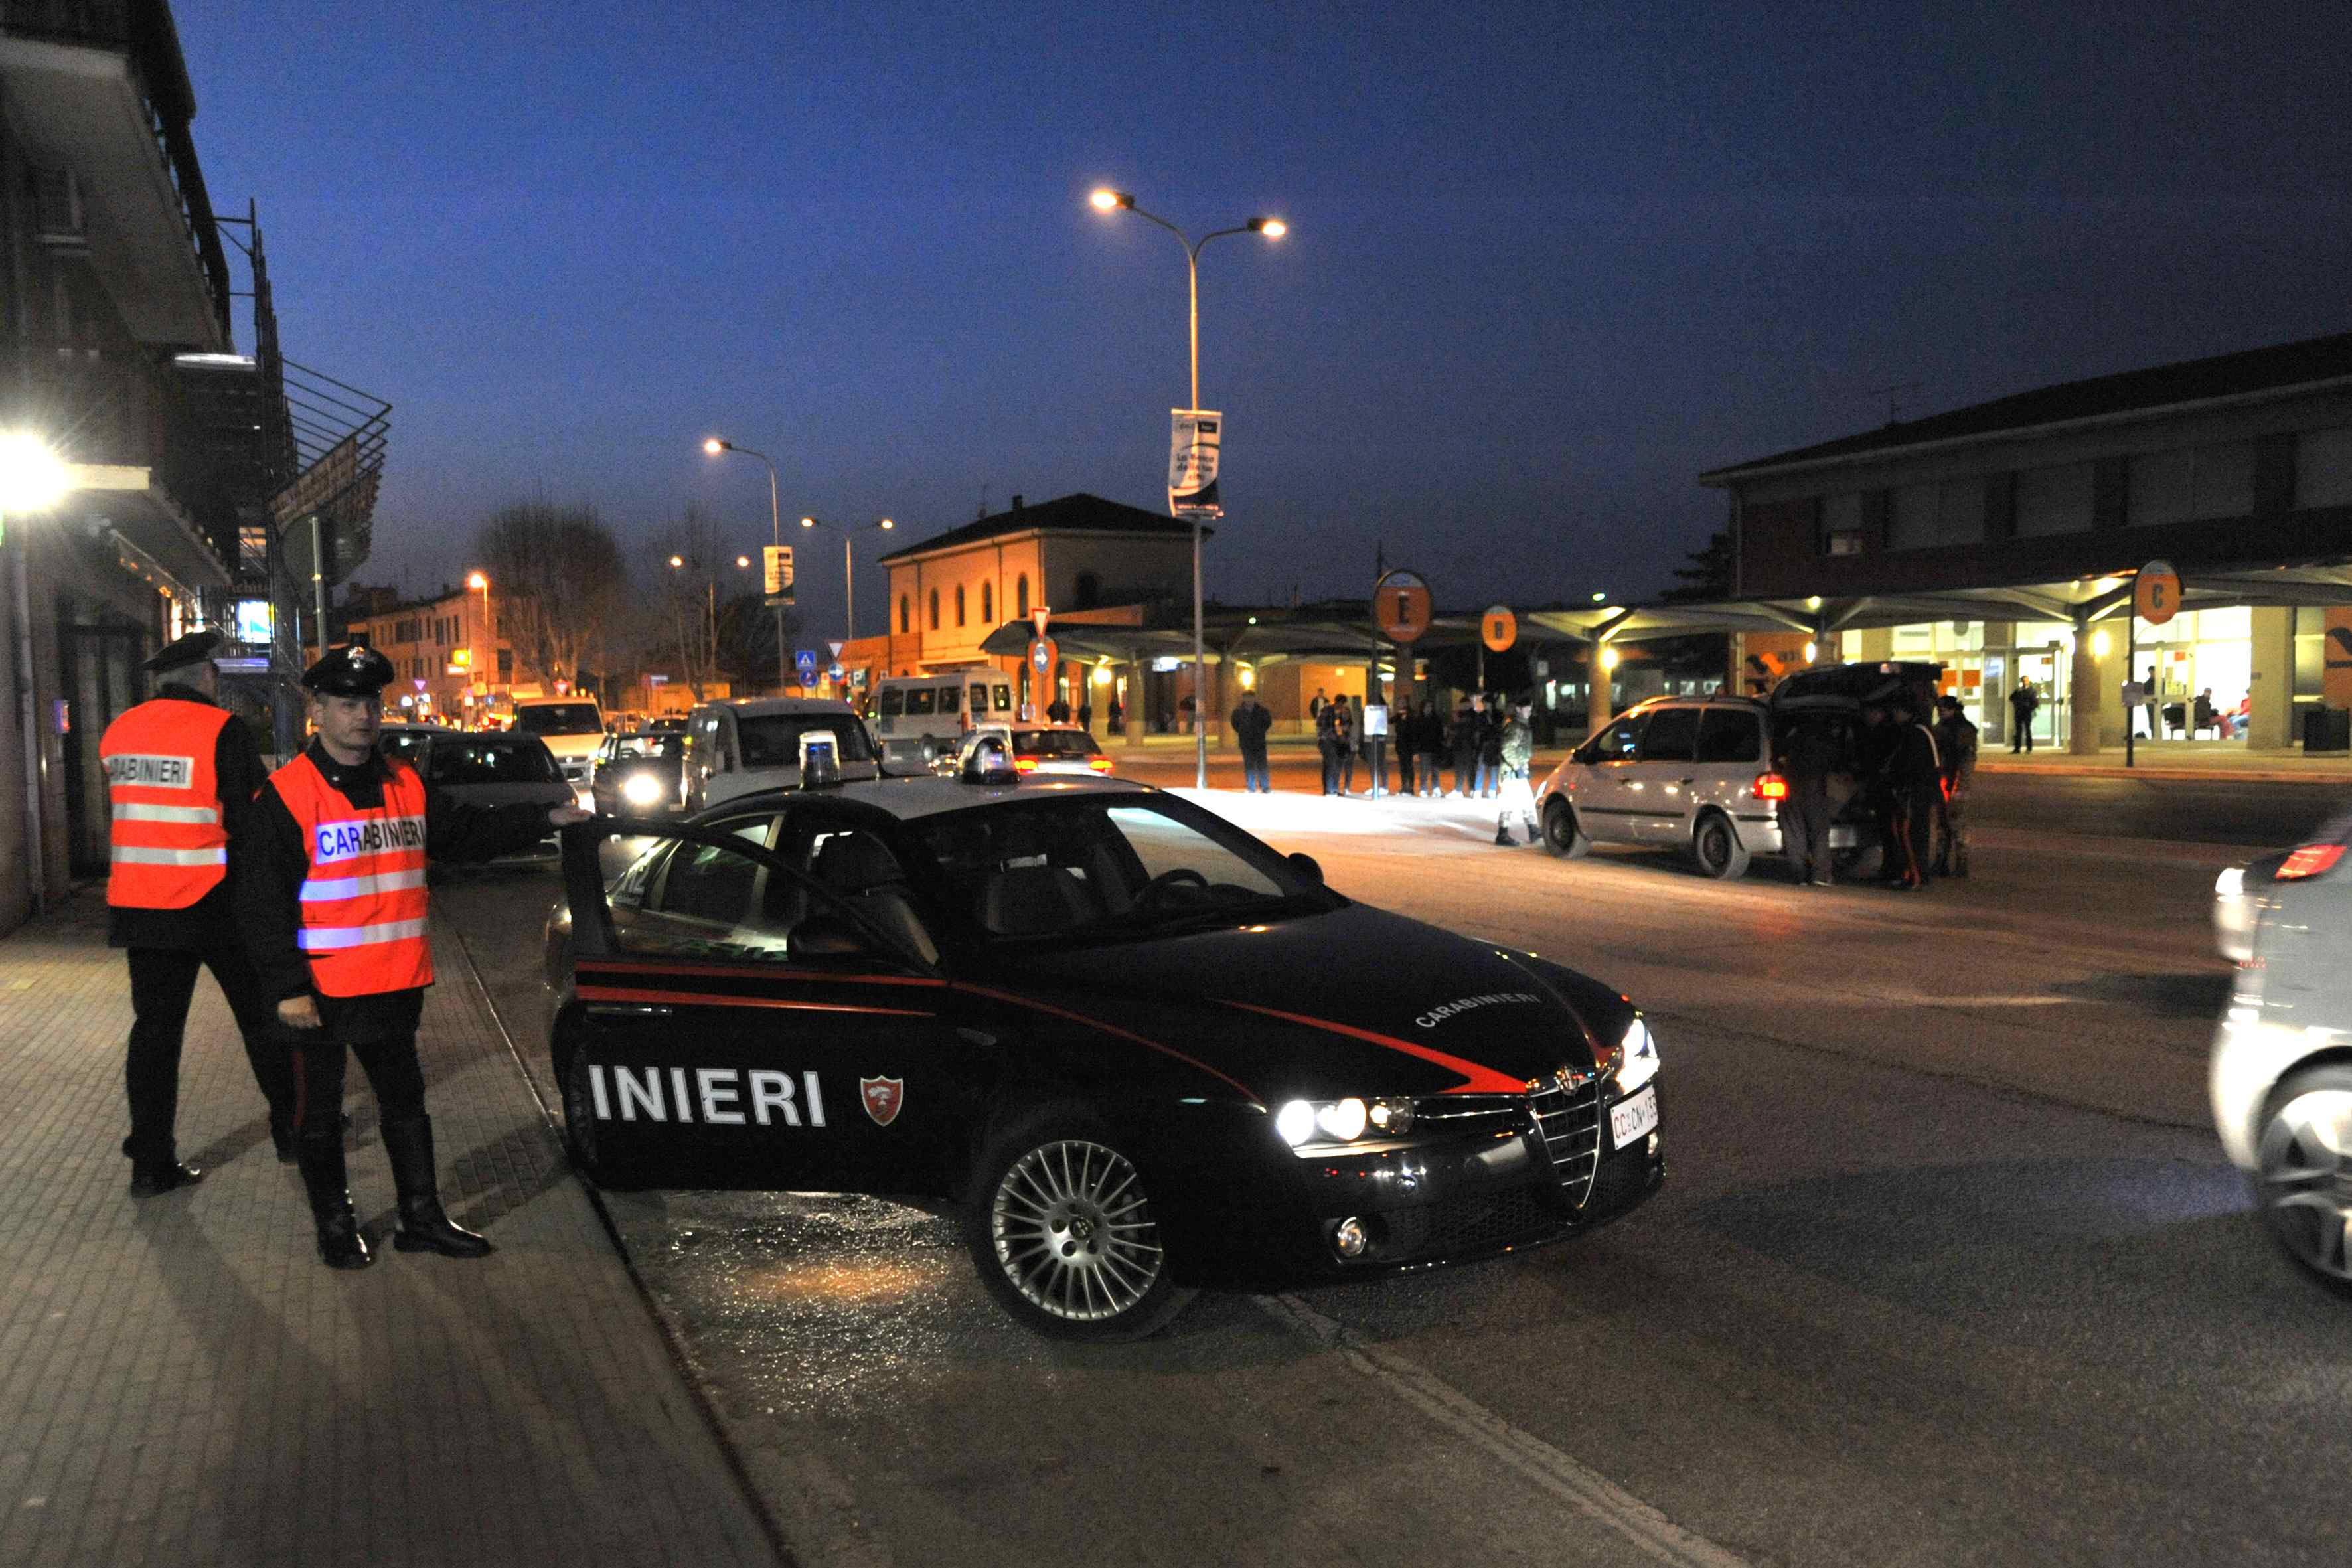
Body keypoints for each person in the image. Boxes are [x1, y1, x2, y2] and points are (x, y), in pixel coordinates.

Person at [238, 645, 590, 1270]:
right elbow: (263, 904)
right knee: (318, 1115)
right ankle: (336, 1226)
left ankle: (421, 1219)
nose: (364, 716)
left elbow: (464, 836)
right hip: (317, 991)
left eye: (371, 702)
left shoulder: (406, 782)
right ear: (316, 710)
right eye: (348, 703)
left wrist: (547, 817)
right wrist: (286, 987)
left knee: (406, 1104)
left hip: (393, 982)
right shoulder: (287, 796)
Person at [101, 629, 296, 1194]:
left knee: (156, 1035)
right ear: (206, 676)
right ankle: (291, 1130)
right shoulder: (220, 729)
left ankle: (151, 1163)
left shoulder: (118, 731)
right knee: (261, 1017)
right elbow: (249, 820)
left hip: (141, 905)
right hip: (214, 901)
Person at [1878, 697, 1942, 890]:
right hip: (1920, 791)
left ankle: (1916, 876)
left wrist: (1894, 779)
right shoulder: (1920, 731)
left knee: (1910, 835)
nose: (1895, 716)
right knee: (1914, 834)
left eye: (1897, 712)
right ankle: (1914, 874)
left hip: (1916, 793)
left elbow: (1911, 765)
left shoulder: (1916, 734)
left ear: (1905, 712)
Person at [1775, 713, 1841, 887]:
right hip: (1816, 790)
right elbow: (1838, 762)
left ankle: (1799, 875)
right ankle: (1820, 875)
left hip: (1792, 789)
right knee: (1819, 833)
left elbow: (1777, 756)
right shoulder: (1826, 739)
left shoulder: (1793, 736)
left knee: (1795, 833)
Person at [1931, 694, 1978, 877]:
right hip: (1943, 781)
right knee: (1942, 824)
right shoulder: (1939, 729)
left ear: (1955, 709)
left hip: (1956, 783)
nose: (1942, 711)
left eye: (1946, 708)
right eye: (1940, 709)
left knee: (1957, 823)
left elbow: (1966, 762)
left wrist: (1960, 788)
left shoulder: (1965, 730)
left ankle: (1961, 862)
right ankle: (1941, 861)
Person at [1494, 704, 1539, 845]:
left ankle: (1533, 830)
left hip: (1518, 770)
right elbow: (1507, 749)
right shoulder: (1516, 727)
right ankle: (1503, 834)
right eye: (1527, 710)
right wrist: (1517, 767)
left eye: (1530, 710)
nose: (1529, 713)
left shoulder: (1521, 726)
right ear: (1519, 709)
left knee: (1527, 800)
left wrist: (1522, 768)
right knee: (1509, 802)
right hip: (1511, 772)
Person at [1229, 690, 1273, 793]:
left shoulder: (1262, 711)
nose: (1249, 700)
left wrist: (1260, 731)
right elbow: (1235, 724)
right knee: (1249, 765)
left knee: (1262, 765)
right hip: (1246, 742)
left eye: (1250, 698)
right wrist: (1243, 731)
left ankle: (1265, 787)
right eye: (1246, 698)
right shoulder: (1238, 712)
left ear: (1254, 698)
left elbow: (1268, 723)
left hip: (1259, 742)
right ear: (1243, 699)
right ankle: (1251, 787)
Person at [1450, 696, 1482, 797]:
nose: (1465, 706)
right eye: (1463, 705)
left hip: (1469, 745)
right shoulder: (1457, 715)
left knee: (1470, 769)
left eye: (1467, 704)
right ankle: (1459, 789)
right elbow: (1452, 729)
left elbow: (1476, 730)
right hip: (1459, 745)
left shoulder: (1474, 715)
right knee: (1460, 768)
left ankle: (1472, 789)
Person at [1415, 699, 1445, 797]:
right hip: (1424, 749)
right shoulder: (1419, 719)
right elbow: (1417, 734)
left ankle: (1435, 788)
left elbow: (1440, 733)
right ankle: (1423, 789)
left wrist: (1441, 743)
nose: (1429, 709)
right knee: (1424, 770)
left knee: (1435, 770)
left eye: (1430, 707)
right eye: (1427, 707)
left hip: (1435, 748)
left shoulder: (1436, 719)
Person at [1315, 694, 1344, 794]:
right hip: (1327, 741)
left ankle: (1330, 789)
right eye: (1342, 704)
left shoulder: (1332, 711)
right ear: (1339, 702)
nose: (1342, 707)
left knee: (1330, 765)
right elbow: (1323, 725)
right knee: (1331, 765)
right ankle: (1330, 789)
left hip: (1328, 741)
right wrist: (1333, 734)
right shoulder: (1329, 711)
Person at [1476, 696, 1505, 798]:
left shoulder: (1498, 714)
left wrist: (1490, 724)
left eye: (1486, 703)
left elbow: (1499, 728)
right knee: (1481, 767)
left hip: (1495, 744)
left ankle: (1492, 790)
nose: (1485, 706)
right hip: (1485, 743)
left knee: (1494, 768)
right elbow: (1481, 729)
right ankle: (1478, 790)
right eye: (1484, 704)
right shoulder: (1481, 715)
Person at [1334, 696, 1358, 794]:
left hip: (1350, 747)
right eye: (1343, 713)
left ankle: (1347, 788)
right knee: (1339, 768)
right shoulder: (1338, 722)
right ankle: (1337, 787)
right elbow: (1339, 732)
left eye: (1347, 713)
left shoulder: (1351, 723)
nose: (1345, 715)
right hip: (1341, 746)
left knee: (1349, 768)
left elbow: (1351, 734)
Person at [2007, 678, 2039, 753]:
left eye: (2026, 681)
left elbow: (2035, 703)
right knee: (2018, 731)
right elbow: (2011, 698)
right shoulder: (2018, 691)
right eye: (2023, 681)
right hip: (2019, 713)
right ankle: (2017, 749)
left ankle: (2029, 748)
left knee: (2028, 731)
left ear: (2028, 682)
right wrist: (2017, 702)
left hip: (2027, 713)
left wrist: (2030, 708)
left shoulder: (2032, 691)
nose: (2024, 682)